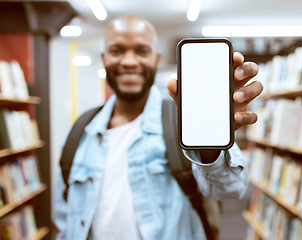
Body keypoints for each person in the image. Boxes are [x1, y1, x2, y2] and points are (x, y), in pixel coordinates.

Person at [54, 15, 263, 240]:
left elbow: (231, 189)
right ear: (104, 58)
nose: (129, 61)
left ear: (157, 58)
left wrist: (210, 146)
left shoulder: (181, 122)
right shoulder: (79, 133)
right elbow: (65, 222)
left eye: (142, 51)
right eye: (117, 51)